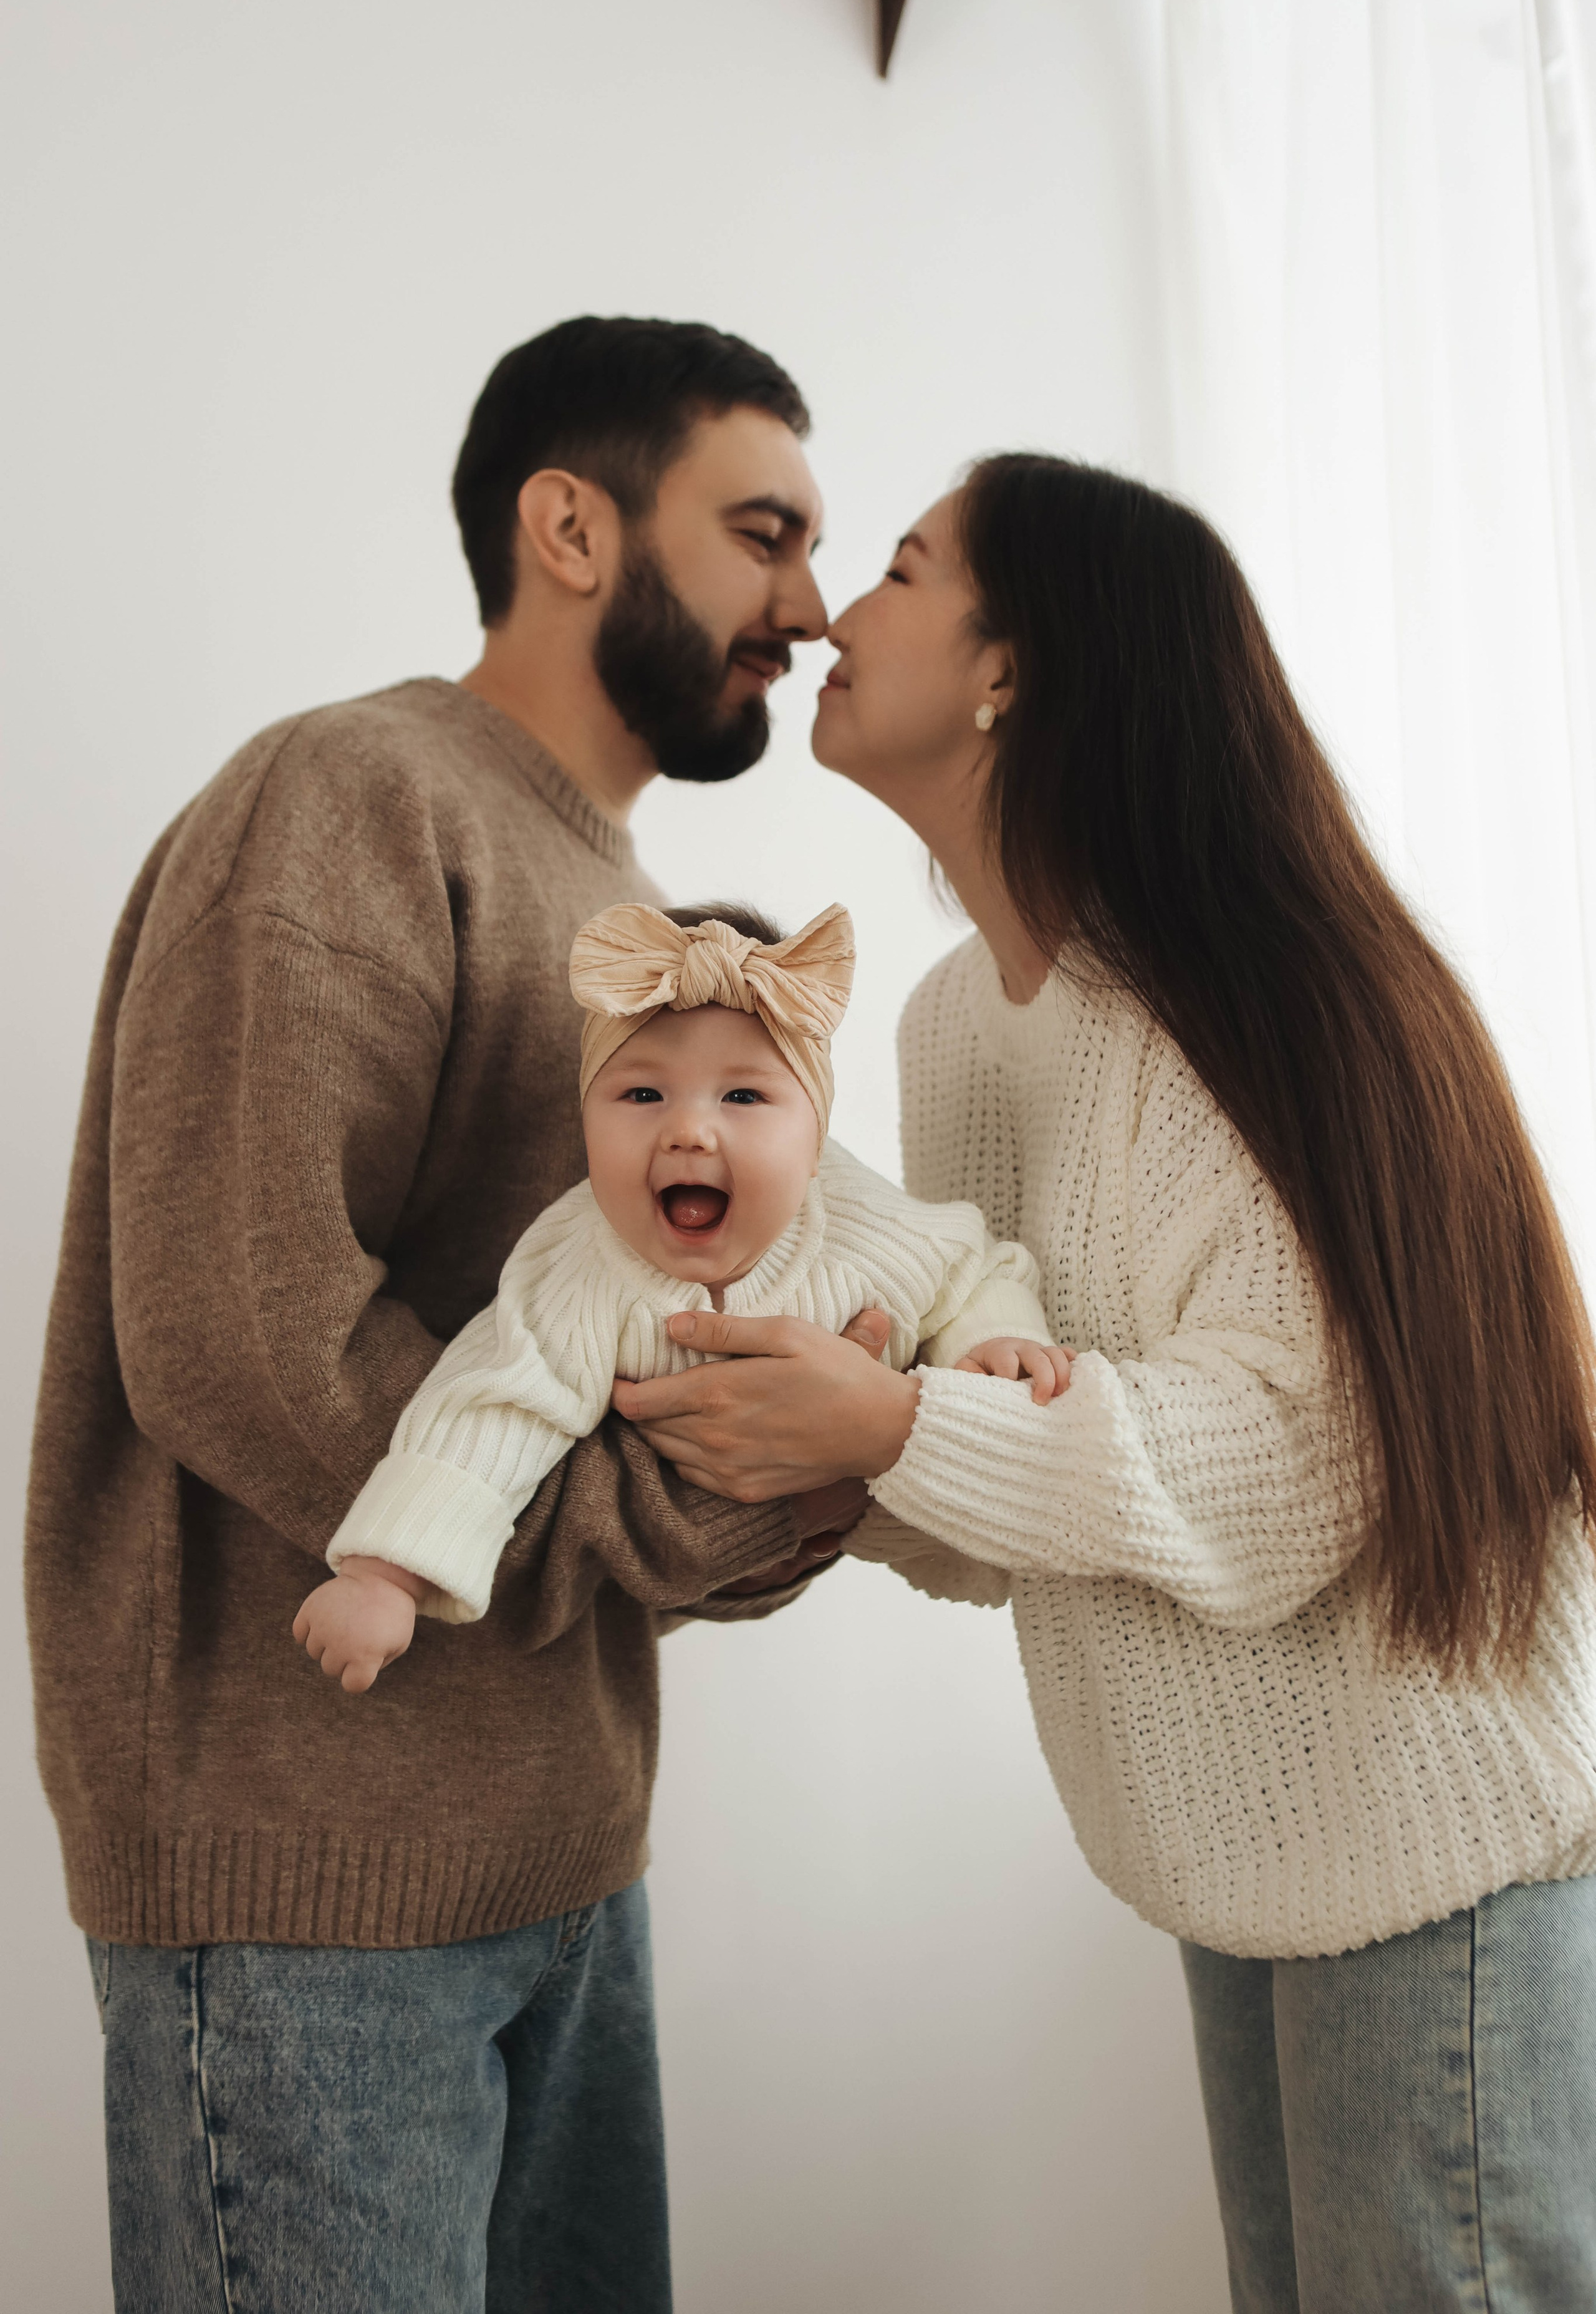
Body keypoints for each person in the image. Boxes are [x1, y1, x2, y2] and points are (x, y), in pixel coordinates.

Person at [614, 456, 1596, 2313]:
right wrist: (841, 1454)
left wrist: (897, 1424)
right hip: (1236, 1842)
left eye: (901, 567)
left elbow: (1302, 1460)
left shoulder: (1253, 991)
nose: (834, 606)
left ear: (1015, 669)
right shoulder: (953, 1027)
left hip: (1426, 1827)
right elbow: (1058, 1490)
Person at [26, 314, 857, 2314]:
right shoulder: (353, 796)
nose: (811, 606)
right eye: (762, 532)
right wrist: (664, 1528)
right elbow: (243, 1329)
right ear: (569, 525)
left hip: (559, 1862)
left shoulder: (624, 898)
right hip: (315, 1892)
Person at [292, 897, 1067, 1691]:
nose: (689, 1131)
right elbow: (490, 1406)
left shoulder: (863, 1227)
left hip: (925, 1491)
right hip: (766, 1540)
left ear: (814, 1142)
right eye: (642, 1096)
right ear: (585, 1122)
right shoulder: (578, 1267)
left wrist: (991, 1340)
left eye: (742, 1098)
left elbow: (969, 1269)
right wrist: (386, 1575)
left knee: (1011, 1525)